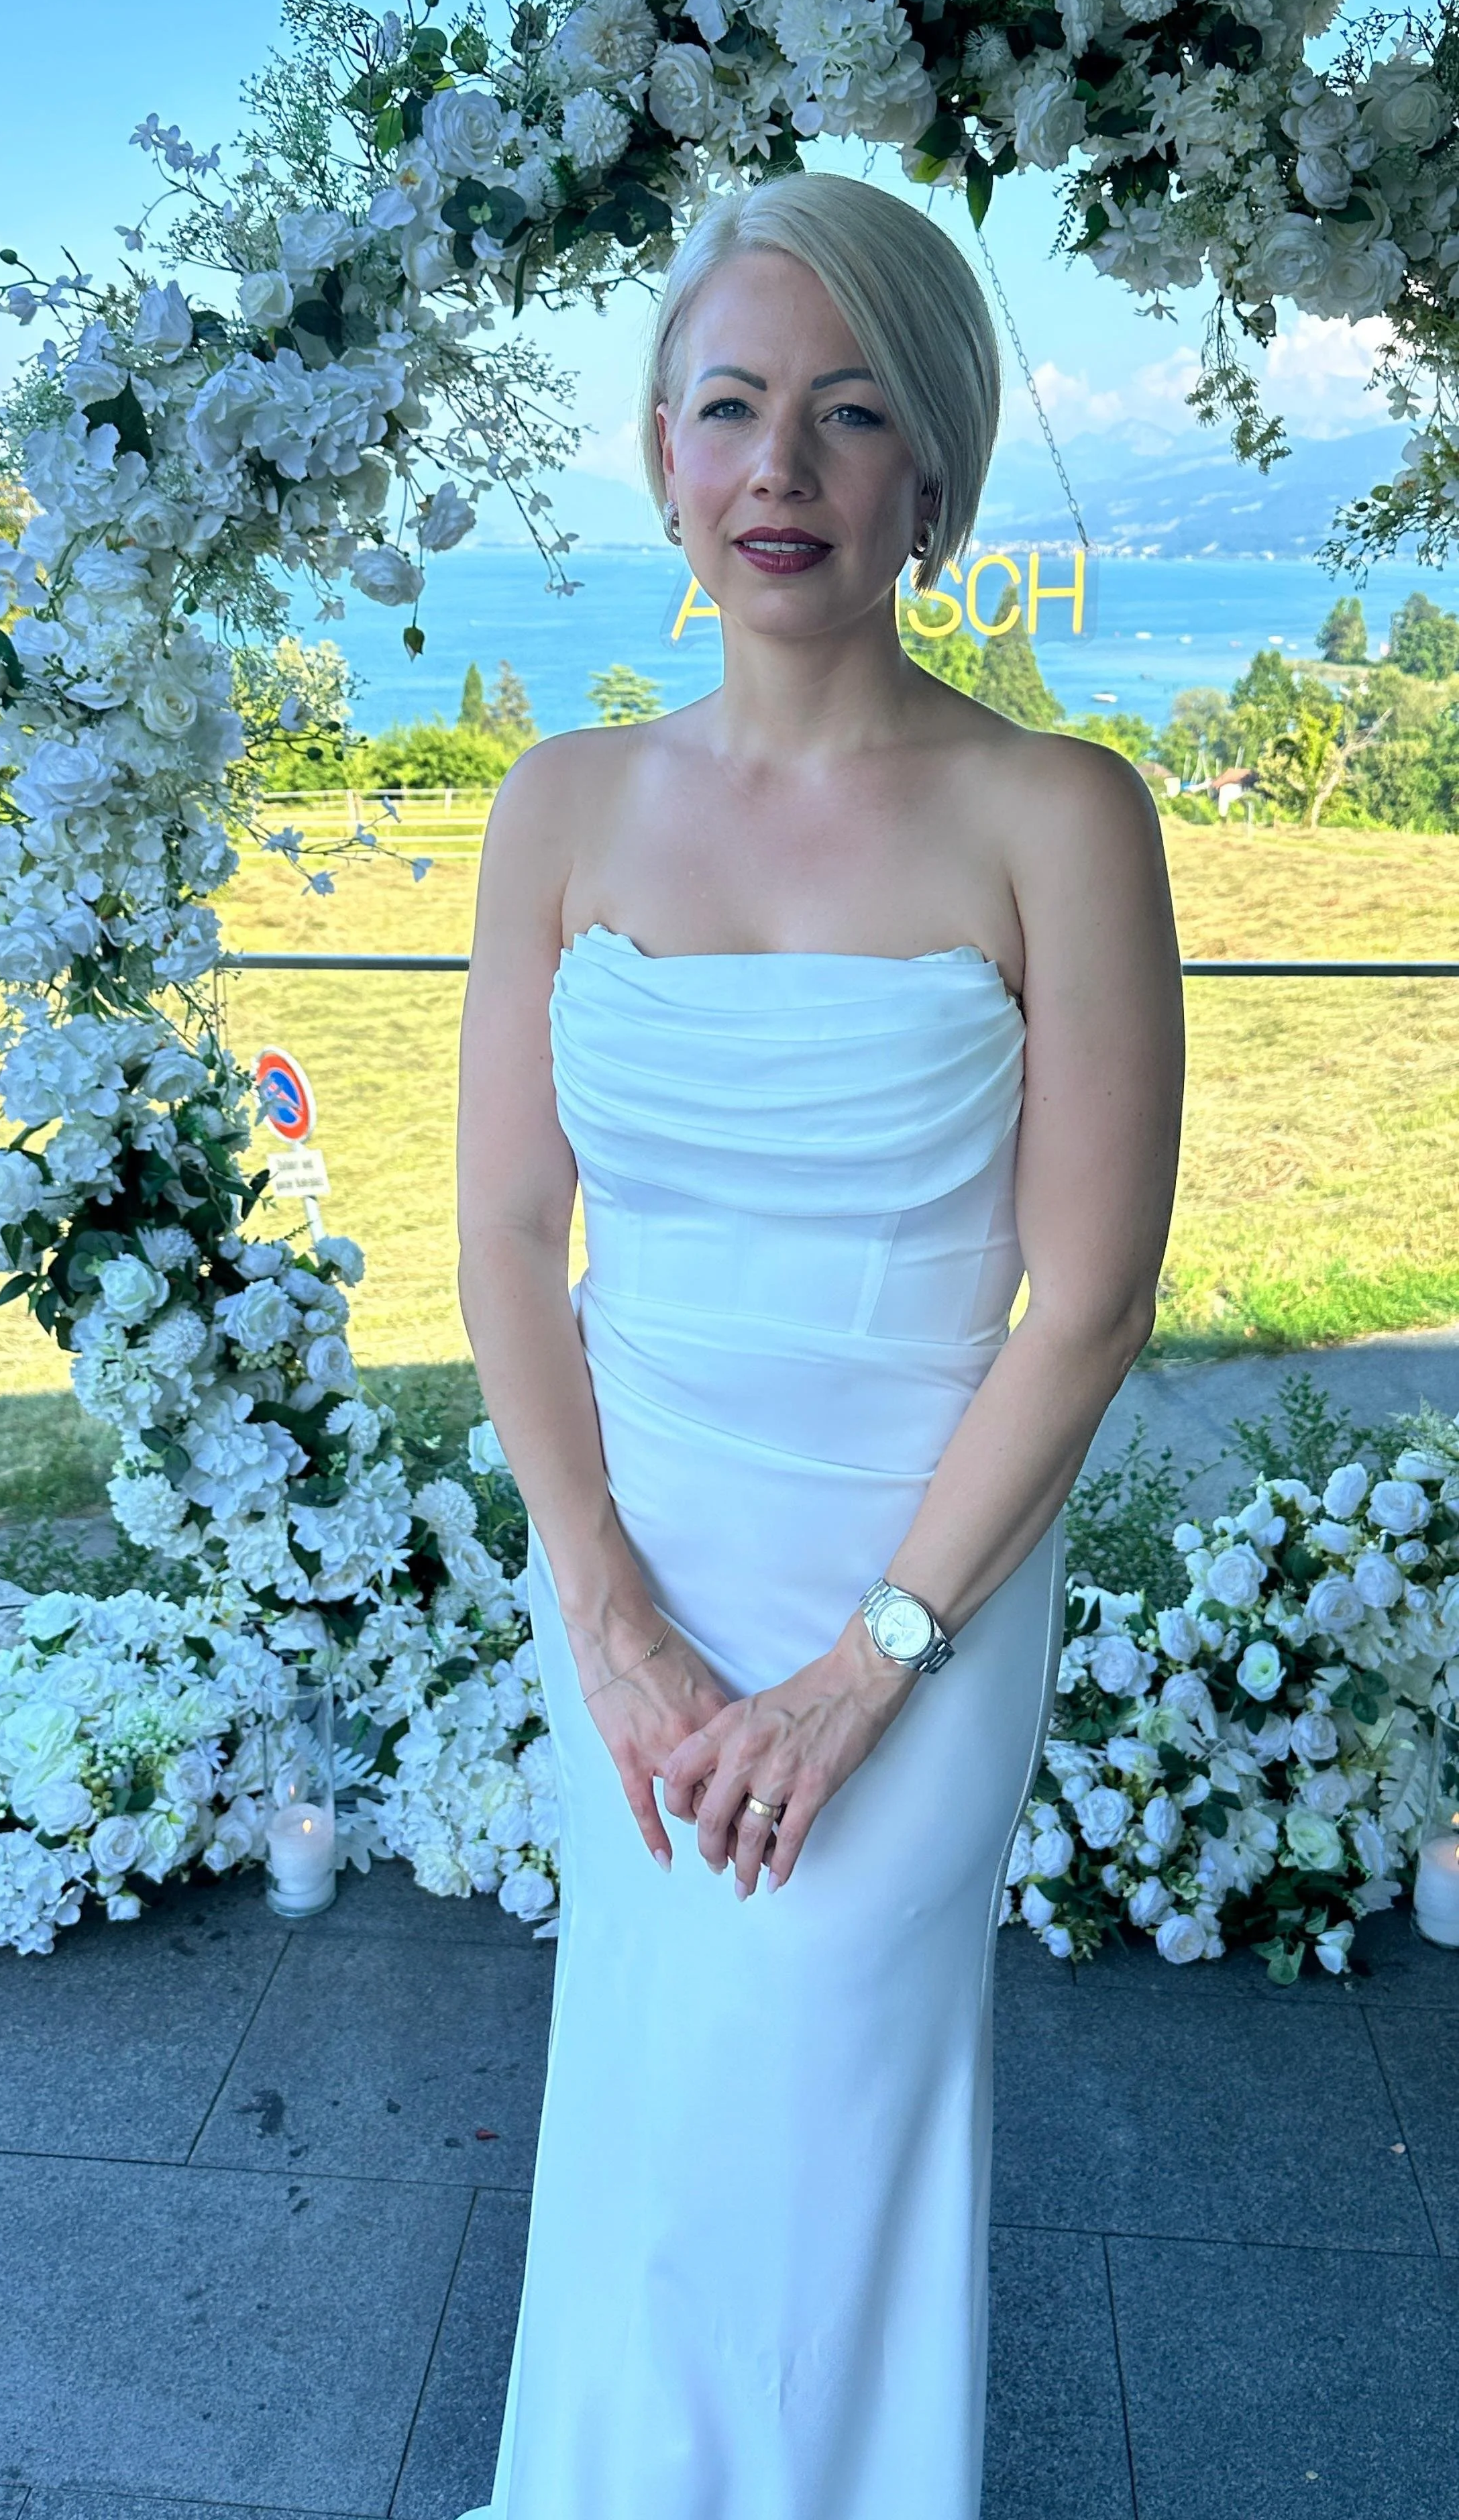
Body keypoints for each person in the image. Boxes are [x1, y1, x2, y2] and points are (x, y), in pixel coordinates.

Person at [454, 170, 1184, 2520]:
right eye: (733, 408)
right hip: (635, 1586)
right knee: (654, 2116)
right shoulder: (556, 809)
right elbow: (498, 1229)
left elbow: (1086, 1303)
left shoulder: (1055, 815)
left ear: (934, 481)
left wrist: (872, 1662)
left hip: (918, 1592)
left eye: (848, 414)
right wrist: (605, 1605)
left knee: (825, 2116)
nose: (782, 467)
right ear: (662, 456)